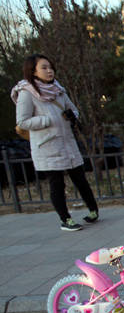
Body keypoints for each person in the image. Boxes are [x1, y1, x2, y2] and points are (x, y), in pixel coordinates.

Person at [12, 54, 99, 231]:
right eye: (44, 67)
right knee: (57, 183)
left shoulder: (58, 88)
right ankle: (65, 219)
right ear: (33, 70)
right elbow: (22, 122)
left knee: (80, 178)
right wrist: (47, 120)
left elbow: (73, 109)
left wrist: (72, 115)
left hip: (67, 142)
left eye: (50, 67)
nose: (49, 70)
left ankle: (93, 210)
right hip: (47, 145)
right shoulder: (26, 93)